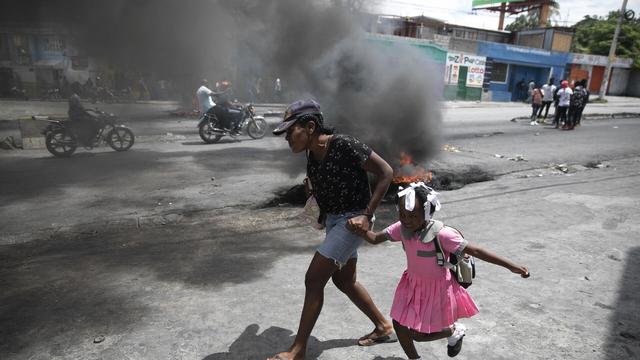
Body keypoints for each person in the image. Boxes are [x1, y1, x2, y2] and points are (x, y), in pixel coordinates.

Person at [268, 99, 396, 360]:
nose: (287, 139)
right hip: (334, 222)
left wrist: (366, 215)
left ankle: (298, 350)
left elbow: (386, 172)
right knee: (344, 280)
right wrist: (313, 194)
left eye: (290, 131)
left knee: (314, 279)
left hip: (353, 222)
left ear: (311, 126)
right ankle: (383, 326)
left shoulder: (344, 145)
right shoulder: (311, 155)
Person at [349, 182, 530, 359]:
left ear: (427, 212)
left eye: (413, 216)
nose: (406, 220)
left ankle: (454, 330)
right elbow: (374, 239)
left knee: (417, 335)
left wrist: (510, 265)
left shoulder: (442, 234)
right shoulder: (401, 228)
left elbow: (475, 250)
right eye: (403, 214)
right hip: (412, 285)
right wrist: (358, 227)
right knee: (399, 323)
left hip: (437, 290)